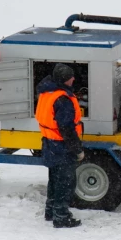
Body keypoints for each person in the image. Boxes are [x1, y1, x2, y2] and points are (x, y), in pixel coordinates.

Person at [35, 63, 85, 228]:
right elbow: (67, 129)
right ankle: (61, 217)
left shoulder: (47, 93)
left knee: (54, 179)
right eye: (71, 77)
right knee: (66, 181)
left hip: (49, 142)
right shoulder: (62, 99)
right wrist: (77, 150)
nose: (74, 79)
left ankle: (50, 211)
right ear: (65, 80)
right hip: (62, 145)